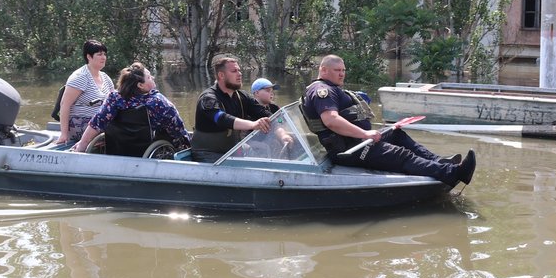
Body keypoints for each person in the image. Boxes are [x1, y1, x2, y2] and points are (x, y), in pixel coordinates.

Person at [301, 54, 476, 189]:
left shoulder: (332, 88)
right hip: (349, 149)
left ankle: (439, 161)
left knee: (396, 134)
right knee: (400, 154)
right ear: (323, 70)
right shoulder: (321, 90)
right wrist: (365, 133)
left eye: (343, 70)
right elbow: (331, 120)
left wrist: (371, 132)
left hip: (358, 140)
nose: (342, 74)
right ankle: (453, 173)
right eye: (337, 70)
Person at [72, 63, 192, 155]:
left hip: (118, 147)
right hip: (147, 150)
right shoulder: (157, 102)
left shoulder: (113, 98)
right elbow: (177, 128)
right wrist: (187, 145)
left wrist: (83, 143)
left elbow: (97, 122)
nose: (153, 77)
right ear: (140, 85)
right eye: (149, 77)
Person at [191, 56, 272, 162]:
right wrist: (253, 124)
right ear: (221, 75)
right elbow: (221, 118)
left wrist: (282, 133)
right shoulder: (208, 98)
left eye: (239, 70)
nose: (240, 74)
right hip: (208, 154)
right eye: (234, 71)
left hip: (233, 149)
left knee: (265, 153)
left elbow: (265, 114)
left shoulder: (242, 96)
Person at [56, 40, 115, 145]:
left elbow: (114, 102)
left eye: (104, 54)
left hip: (99, 122)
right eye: (99, 54)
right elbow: (64, 105)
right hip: (80, 125)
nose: (103, 57)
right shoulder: (81, 77)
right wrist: (63, 134)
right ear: (89, 57)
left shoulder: (106, 78)